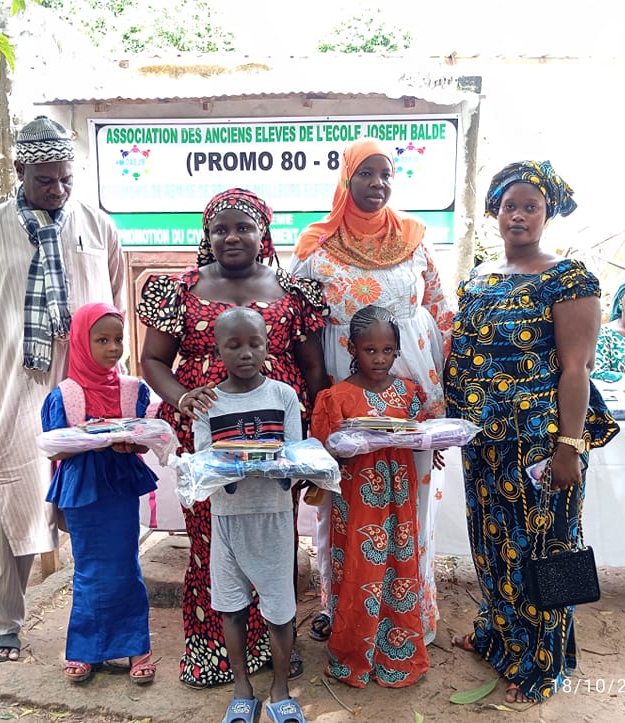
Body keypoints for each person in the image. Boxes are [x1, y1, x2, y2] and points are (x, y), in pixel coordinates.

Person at [138, 187, 328, 688]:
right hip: (207, 436)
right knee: (210, 539)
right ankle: (214, 651)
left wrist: (314, 449)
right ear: (207, 235)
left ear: (263, 232)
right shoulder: (180, 289)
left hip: (275, 435)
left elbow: (313, 372)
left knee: (274, 537)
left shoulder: (293, 292)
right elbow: (153, 361)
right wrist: (182, 398)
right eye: (220, 228)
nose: (232, 236)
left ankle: (277, 650)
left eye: (243, 226)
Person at [444, 160, 619, 703]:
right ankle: (499, 638)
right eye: (509, 205)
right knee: (493, 547)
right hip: (485, 442)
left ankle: (546, 663)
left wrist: (570, 447)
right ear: (495, 210)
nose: (518, 216)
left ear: (547, 214)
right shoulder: (480, 276)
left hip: (541, 445)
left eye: (531, 207)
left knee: (549, 551)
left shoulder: (568, 277)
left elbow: (576, 369)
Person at [0, 115, 125, 663]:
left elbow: (115, 307)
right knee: (14, 495)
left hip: (87, 385)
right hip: (18, 385)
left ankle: (101, 622)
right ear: (19, 170)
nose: (55, 191)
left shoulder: (99, 227)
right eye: (43, 180)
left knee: (95, 495)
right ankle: (3, 620)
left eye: (64, 180)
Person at [289, 138, 453, 646]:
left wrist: (439, 399)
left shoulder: (413, 238)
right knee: (341, 495)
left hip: (412, 386)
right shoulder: (317, 245)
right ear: (346, 179)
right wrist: (316, 397)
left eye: (386, 175)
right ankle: (340, 606)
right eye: (367, 174)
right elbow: (300, 322)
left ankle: (407, 608)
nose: (377, 184)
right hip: (344, 382)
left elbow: (442, 311)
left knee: (409, 493)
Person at [310, 305, 442, 688]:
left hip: (399, 499)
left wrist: (432, 441)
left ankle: (395, 650)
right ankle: (354, 653)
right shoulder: (336, 398)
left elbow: (421, 436)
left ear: (398, 350)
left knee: (399, 569)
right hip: (355, 505)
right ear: (352, 348)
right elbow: (321, 452)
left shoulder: (409, 394)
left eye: (388, 350)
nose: (380, 358)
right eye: (370, 350)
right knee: (358, 572)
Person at [193, 307, 305, 723]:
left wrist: (275, 466)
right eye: (233, 345)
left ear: (267, 345)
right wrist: (232, 464)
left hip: (273, 517)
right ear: (217, 349)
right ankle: (242, 688)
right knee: (231, 606)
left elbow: (294, 455)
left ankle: (280, 690)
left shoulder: (283, 396)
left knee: (280, 607)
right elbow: (204, 460)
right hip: (227, 518)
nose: (245, 353)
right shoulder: (209, 401)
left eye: (254, 343)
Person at [41, 303, 157, 685]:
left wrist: (131, 443)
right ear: (80, 341)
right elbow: (55, 447)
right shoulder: (66, 394)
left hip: (120, 484)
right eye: (102, 339)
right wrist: (89, 440)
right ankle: (84, 650)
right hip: (83, 489)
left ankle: (137, 645)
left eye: (118, 339)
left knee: (126, 564)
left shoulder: (132, 390)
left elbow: (143, 439)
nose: (112, 348)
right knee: (89, 569)